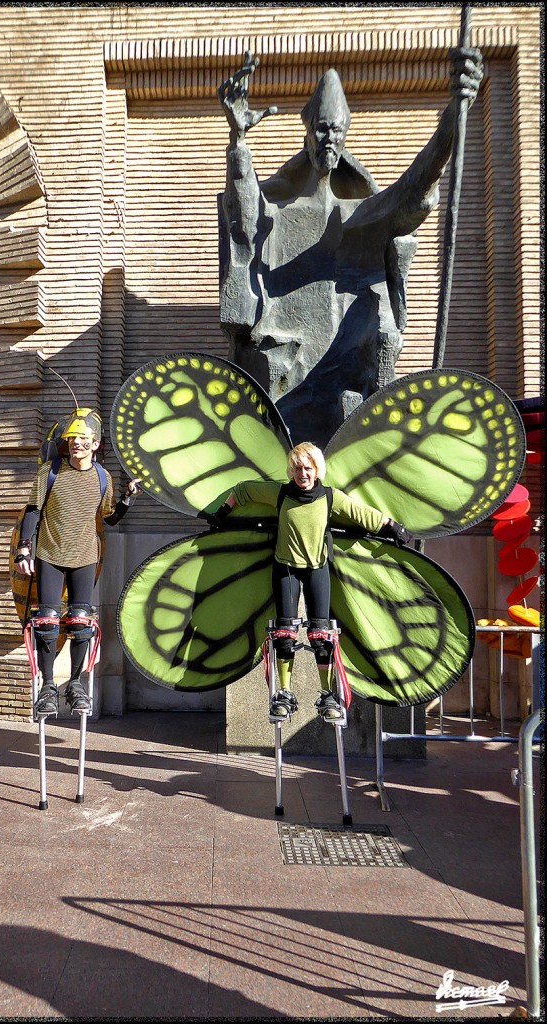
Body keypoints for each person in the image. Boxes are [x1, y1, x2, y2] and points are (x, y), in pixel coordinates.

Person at [218, 47, 484, 446]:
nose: (330, 138)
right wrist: (238, 141)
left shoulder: (363, 214)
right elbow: (243, 219)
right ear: (307, 131)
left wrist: (453, 117)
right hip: (282, 385)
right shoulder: (278, 209)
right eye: (322, 128)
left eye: (337, 130)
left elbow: (414, 187)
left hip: (348, 391)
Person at [210, 442, 411, 722]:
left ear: (316, 470)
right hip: (286, 569)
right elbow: (243, 490)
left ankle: (327, 694)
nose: (302, 473)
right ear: (291, 470)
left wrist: (391, 526)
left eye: (308, 468)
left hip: (317, 568)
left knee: (321, 635)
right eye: (297, 468)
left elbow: (359, 513)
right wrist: (222, 511)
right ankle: (284, 693)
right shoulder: (281, 494)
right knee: (284, 634)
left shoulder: (329, 497)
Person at [15, 407, 141, 715]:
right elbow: (34, 510)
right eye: (73, 439)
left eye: (84, 440)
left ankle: (74, 683)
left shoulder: (102, 477)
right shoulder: (51, 471)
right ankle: (47, 685)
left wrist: (128, 497)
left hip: (85, 555)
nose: (77, 444)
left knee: (81, 619)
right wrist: (23, 549)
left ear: (96, 444)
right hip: (49, 553)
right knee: (47, 618)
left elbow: (109, 517)